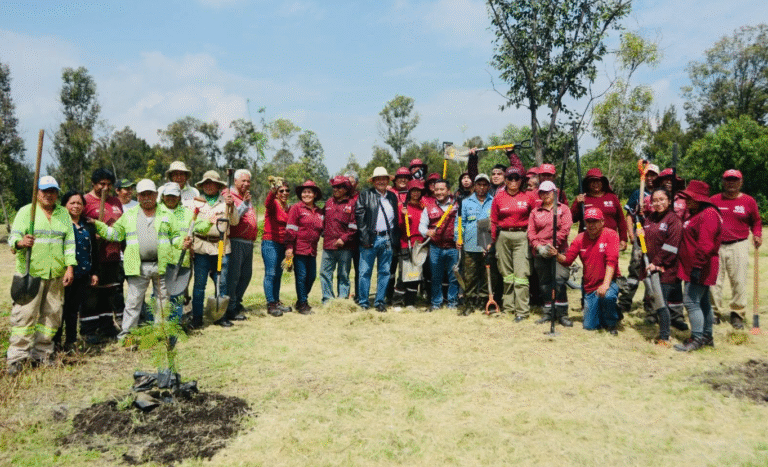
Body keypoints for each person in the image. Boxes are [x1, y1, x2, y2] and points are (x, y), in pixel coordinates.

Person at [93, 180, 181, 339]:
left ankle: (160, 333)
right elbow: (116, 234)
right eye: (143, 194)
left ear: (156, 195)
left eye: (150, 194)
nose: (147, 197)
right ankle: (127, 335)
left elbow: (175, 237)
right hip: (138, 266)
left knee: (162, 301)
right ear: (138, 197)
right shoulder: (129, 215)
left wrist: (183, 243)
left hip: (162, 265)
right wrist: (97, 225)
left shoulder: (167, 214)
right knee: (133, 302)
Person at [7, 176, 76, 375]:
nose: (49, 195)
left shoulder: (63, 214)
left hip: (55, 273)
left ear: (57, 193)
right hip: (31, 274)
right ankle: (18, 358)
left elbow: (69, 243)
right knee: (24, 316)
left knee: (52, 315)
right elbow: (14, 237)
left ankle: (42, 354)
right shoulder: (26, 212)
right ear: (37, 193)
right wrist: (20, 242)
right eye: (45, 191)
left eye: (53, 191)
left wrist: (69, 267)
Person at [554, 207, 621, 334]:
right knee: (590, 326)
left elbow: (611, 261)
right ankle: (607, 310)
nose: (591, 225)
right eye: (588, 221)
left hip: (609, 282)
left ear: (602, 222)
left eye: (595, 221)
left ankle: (612, 323)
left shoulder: (611, 234)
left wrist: (605, 284)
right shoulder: (580, 238)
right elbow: (568, 260)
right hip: (590, 286)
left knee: (607, 296)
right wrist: (556, 255)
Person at [709, 169, 762, 329]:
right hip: (716, 246)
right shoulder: (714, 200)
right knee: (714, 282)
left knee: (738, 281)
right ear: (723, 182)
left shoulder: (748, 201)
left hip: (739, 244)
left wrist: (757, 234)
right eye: (728, 180)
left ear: (741, 182)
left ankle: (737, 314)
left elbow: (756, 221)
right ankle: (713, 313)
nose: (731, 183)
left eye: (735, 180)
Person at [674, 180, 722, 351]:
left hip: (701, 266)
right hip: (694, 266)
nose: (686, 201)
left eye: (690, 198)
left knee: (690, 301)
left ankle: (697, 338)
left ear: (700, 199)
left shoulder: (708, 214)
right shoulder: (695, 213)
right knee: (703, 302)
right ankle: (707, 336)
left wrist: (697, 267)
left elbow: (706, 244)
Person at [638, 187, 686, 346]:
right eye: (655, 200)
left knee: (661, 301)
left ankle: (665, 337)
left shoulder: (674, 220)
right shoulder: (650, 217)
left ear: (669, 201)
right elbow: (644, 242)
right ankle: (663, 332)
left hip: (665, 268)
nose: (658, 203)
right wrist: (640, 237)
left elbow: (672, 247)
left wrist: (657, 263)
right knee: (655, 300)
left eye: (662, 199)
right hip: (650, 265)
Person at [190, 170, 238, 328]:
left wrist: (232, 207)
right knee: (199, 284)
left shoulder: (226, 202)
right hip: (201, 247)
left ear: (218, 186)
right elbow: (191, 224)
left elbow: (235, 222)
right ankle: (197, 317)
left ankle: (220, 316)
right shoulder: (196, 202)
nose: (209, 186)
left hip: (221, 246)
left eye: (212, 183)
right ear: (202, 185)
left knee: (222, 283)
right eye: (206, 183)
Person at [82, 168, 123, 343]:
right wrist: (92, 233)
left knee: (109, 291)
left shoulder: (116, 202)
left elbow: (121, 225)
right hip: (93, 254)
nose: (105, 188)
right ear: (93, 183)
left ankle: (107, 326)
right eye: (101, 184)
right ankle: (89, 329)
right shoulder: (85, 201)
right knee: (92, 292)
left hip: (112, 254)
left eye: (109, 184)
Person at [53, 191, 99, 351]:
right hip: (64, 274)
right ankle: (55, 343)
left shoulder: (88, 226)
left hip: (82, 273)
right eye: (72, 203)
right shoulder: (59, 224)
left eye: (79, 203)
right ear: (64, 205)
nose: (76, 206)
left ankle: (70, 342)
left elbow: (94, 251)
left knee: (73, 310)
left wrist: (94, 272)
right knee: (60, 309)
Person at [490, 166, 536, 321]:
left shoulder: (527, 197)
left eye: (517, 178)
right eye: (510, 178)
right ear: (506, 180)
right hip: (503, 236)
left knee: (521, 275)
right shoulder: (499, 197)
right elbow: (493, 221)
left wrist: (532, 237)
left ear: (521, 180)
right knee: (507, 274)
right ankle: (508, 307)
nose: (514, 181)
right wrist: (492, 241)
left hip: (522, 236)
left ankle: (522, 310)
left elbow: (534, 218)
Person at [160, 182, 210, 322]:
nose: (171, 198)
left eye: (174, 196)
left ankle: (176, 323)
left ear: (179, 197)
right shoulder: (157, 211)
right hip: (162, 261)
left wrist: (210, 222)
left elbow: (201, 228)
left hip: (182, 262)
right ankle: (159, 324)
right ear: (163, 196)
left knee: (177, 295)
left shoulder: (187, 213)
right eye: (168, 195)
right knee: (160, 296)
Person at [528, 181, 573, 326]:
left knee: (559, 281)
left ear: (555, 193)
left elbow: (565, 230)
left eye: (548, 192)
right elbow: (531, 232)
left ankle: (562, 314)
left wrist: (554, 245)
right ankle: (548, 313)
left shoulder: (563, 209)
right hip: (541, 252)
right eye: (542, 192)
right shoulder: (535, 211)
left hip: (558, 250)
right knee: (545, 284)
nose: (545, 195)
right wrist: (538, 247)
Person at [355, 167, 400, 312]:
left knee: (385, 272)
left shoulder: (392, 196)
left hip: (387, 238)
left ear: (388, 181)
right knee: (364, 272)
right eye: (378, 179)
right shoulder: (365, 195)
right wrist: (365, 239)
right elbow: (360, 218)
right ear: (373, 181)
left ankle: (380, 301)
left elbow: (395, 219)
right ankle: (363, 302)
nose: (381, 181)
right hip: (370, 239)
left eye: (384, 178)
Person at [618, 164, 659, 318]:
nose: (650, 178)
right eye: (648, 175)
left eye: (653, 175)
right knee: (635, 268)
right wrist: (631, 234)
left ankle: (650, 303)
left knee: (652, 269)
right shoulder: (638, 193)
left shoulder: (661, 194)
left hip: (655, 237)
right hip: (640, 235)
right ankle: (625, 301)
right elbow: (629, 215)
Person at [455, 174, 493, 315]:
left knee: (485, 275)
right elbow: (460, 222)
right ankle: (469, 303)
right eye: (479, 184)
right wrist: (458, 237)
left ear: (488, 186)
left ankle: (484, 302)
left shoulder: (493, 201)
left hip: (486, 243)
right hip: (470, 244)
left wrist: (491, 243)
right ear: (474, 186)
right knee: (469, 276)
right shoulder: (466, 202)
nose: (482, 188)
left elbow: (495, 223)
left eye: (484, 185)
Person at [285, 180, 324, 314]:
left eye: (309, 192)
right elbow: (290, 229)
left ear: (315, 194)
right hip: (299, 249)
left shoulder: (319, 211)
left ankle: (300, 300)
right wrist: (289, 248)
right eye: (304, 192)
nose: (306, 194)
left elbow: (323, 229)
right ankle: (303, 304)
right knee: (301, 277)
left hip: (312, 250)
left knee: (311, 276)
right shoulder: (296, 208)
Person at [419, 179, 459, 310]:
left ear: (448, 190)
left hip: (453, 247)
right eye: (436, 190)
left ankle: (452, 302)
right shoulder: (429, 207)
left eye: (442, 189)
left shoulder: (456, 205)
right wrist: (427, 231)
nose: (439, 192)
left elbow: (461, 223)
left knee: (453, 276)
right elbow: (421, 226)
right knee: (436, 277)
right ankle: (436, 302)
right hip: (435, 247)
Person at [224, 169, 256, 321]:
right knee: (234, 276)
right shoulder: (229, 196)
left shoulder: (246, 197)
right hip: (236, 241)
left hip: (249, 243)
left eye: (248, 181)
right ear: (235, 181)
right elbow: (233, 217)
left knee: (246, 275)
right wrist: (244, 203)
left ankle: (237, 302)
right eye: (243, 181)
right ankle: (230, 307)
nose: (246, 184)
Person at [320, 176, 357, 304]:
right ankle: (327, 299)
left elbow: (354, 225)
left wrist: (344, 238)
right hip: (328, 246)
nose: (335, 189)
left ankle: (342, 300)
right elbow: (322, 221)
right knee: (325, 273)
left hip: (345, 247)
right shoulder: (328, 202)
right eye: (334, 187)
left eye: (339, 187)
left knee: (343, 274)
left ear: (346, 189)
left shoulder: (352, 204)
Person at [571, 168, 628, 250]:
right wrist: (577, 204)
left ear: (602, 182)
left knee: (610, 262)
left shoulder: (612, 197)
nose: (595, 184)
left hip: (609, 241)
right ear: (587, 183)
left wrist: (623, 239)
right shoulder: (583, 199)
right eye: (592, 181)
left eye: (598, 180)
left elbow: (621, 220)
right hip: (589, 242)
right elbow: (573, 219)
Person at [263, 179, 292, 317]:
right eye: (281, 191)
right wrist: (273, 190)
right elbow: (267, 202)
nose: (284, 193)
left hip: (282, 244)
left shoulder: (288, 207)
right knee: (271, 273)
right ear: (277, 192)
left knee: (279, 274)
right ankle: (271, 303)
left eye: (287, 190)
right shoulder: (273, 203)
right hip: (270, 242)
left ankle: (276, 300)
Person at [399, 179, 426, 308]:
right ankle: (397, 301)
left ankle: (410, 302)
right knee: (404, 274)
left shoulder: (423, 207)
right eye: (413, 191)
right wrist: (403, 217)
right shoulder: (403, 207)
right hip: (406, 243)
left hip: (419, 245)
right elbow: (398, 227)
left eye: (418, 191)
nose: (416, 193)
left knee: (416, 275)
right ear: (409, 192)